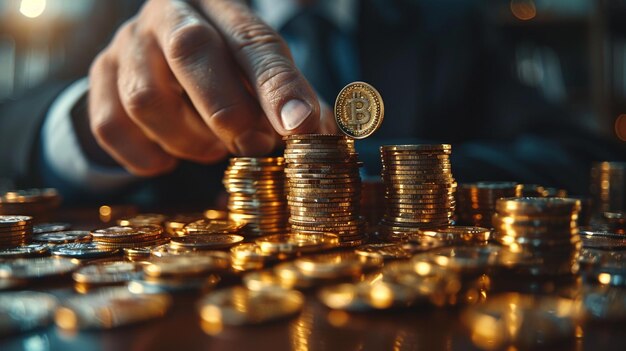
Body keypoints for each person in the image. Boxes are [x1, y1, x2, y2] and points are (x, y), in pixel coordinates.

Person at [0, 0, 624, 206]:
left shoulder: (446, 21)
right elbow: (17, 117)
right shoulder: (133, 10)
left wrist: (366, 172)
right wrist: (87, 123)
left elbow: (583, 156)